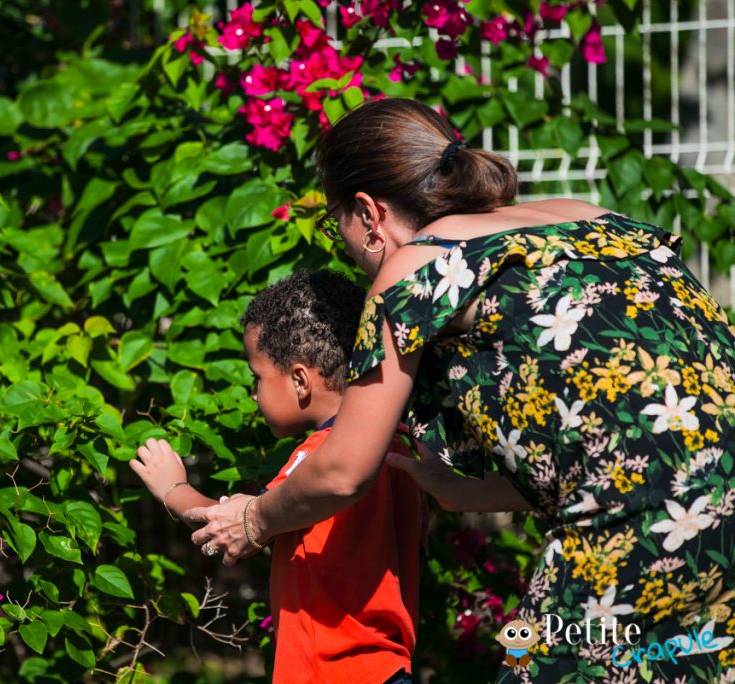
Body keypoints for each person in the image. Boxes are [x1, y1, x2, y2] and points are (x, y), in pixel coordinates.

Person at [185, 98, 735, 683]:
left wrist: (256, 518)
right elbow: (643, 433)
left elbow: (343, 471)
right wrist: (465, 488)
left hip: (644, 528)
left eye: (335, 224)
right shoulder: (588, 216)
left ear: (370, 214)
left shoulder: (423, 261)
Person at [131, 270, 426, 684]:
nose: (253, 394)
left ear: (301, 381)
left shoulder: (322, 456)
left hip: (330, 671)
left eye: (258, 377)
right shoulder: (397, 450)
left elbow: (235, 524)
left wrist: (172, 488)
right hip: (387, 666)